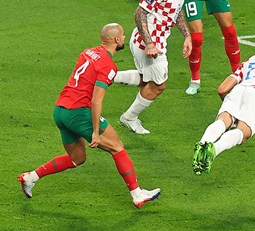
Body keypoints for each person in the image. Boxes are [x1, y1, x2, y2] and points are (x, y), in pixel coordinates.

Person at [17, 24, 161, 208]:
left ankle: (31, 177)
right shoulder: (108, 66)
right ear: (117, 40)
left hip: (61, 110)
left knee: (77, 158)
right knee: (117, 147)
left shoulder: (88, 52)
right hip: (78, 113)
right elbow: (96, 101)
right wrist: (95, 131)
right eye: (123, 35)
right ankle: (137, 194)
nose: (124, 38)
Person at [114, 0, 197, 134]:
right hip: (149, 42)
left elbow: (176, 11)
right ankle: (129, 117)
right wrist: (150, 43)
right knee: (158, 85)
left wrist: (187, 36)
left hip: (156, 40)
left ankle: (107, 76)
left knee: (148, 80)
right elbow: (139, 12)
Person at [192, 33, 255, 174]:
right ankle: (213, 151)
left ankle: (203, 143)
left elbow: (222, 89)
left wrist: (233, 107)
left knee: (224, 120)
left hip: (238, 90)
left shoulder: (250, 61)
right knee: (243, 132)